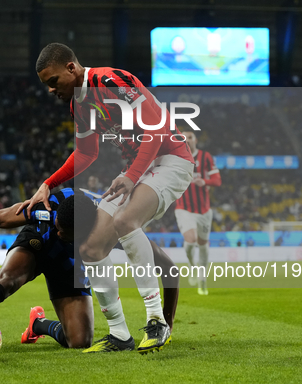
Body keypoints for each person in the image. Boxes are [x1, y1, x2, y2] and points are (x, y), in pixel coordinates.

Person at [19, 43, 194, 354]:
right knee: (90, 246)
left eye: (53, 81)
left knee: (126, 220)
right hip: (137, 169)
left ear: (71, 69)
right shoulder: (80, 105)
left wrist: (130, 175)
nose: (50, 90)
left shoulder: (112, 82)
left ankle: (157, 322)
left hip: (171, 159)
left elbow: (154, 130)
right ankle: (119, 335)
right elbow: (88, 152)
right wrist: (49, 183)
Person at [0, 189, 179, 360]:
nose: (60, 232)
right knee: (5, 280)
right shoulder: (48, 208)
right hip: (38, 242)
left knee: (79, 340)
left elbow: (168, 267)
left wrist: (166, 322)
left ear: (84, 232)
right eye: (58, 227)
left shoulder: (114, 227)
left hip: (70, 262)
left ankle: (38, 324)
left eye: (64, 232)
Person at [174, 131, 221, 295]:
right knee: (191, 239)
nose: (187, 139)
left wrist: (205, 181)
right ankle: (192, 266)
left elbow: (217, 180)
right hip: (183, 208)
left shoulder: (205, 157)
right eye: (183, 137)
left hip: (204, 211)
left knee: (203, 247)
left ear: (196, 140)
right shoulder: (176, 157)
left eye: (190, 137)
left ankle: (202, 280)